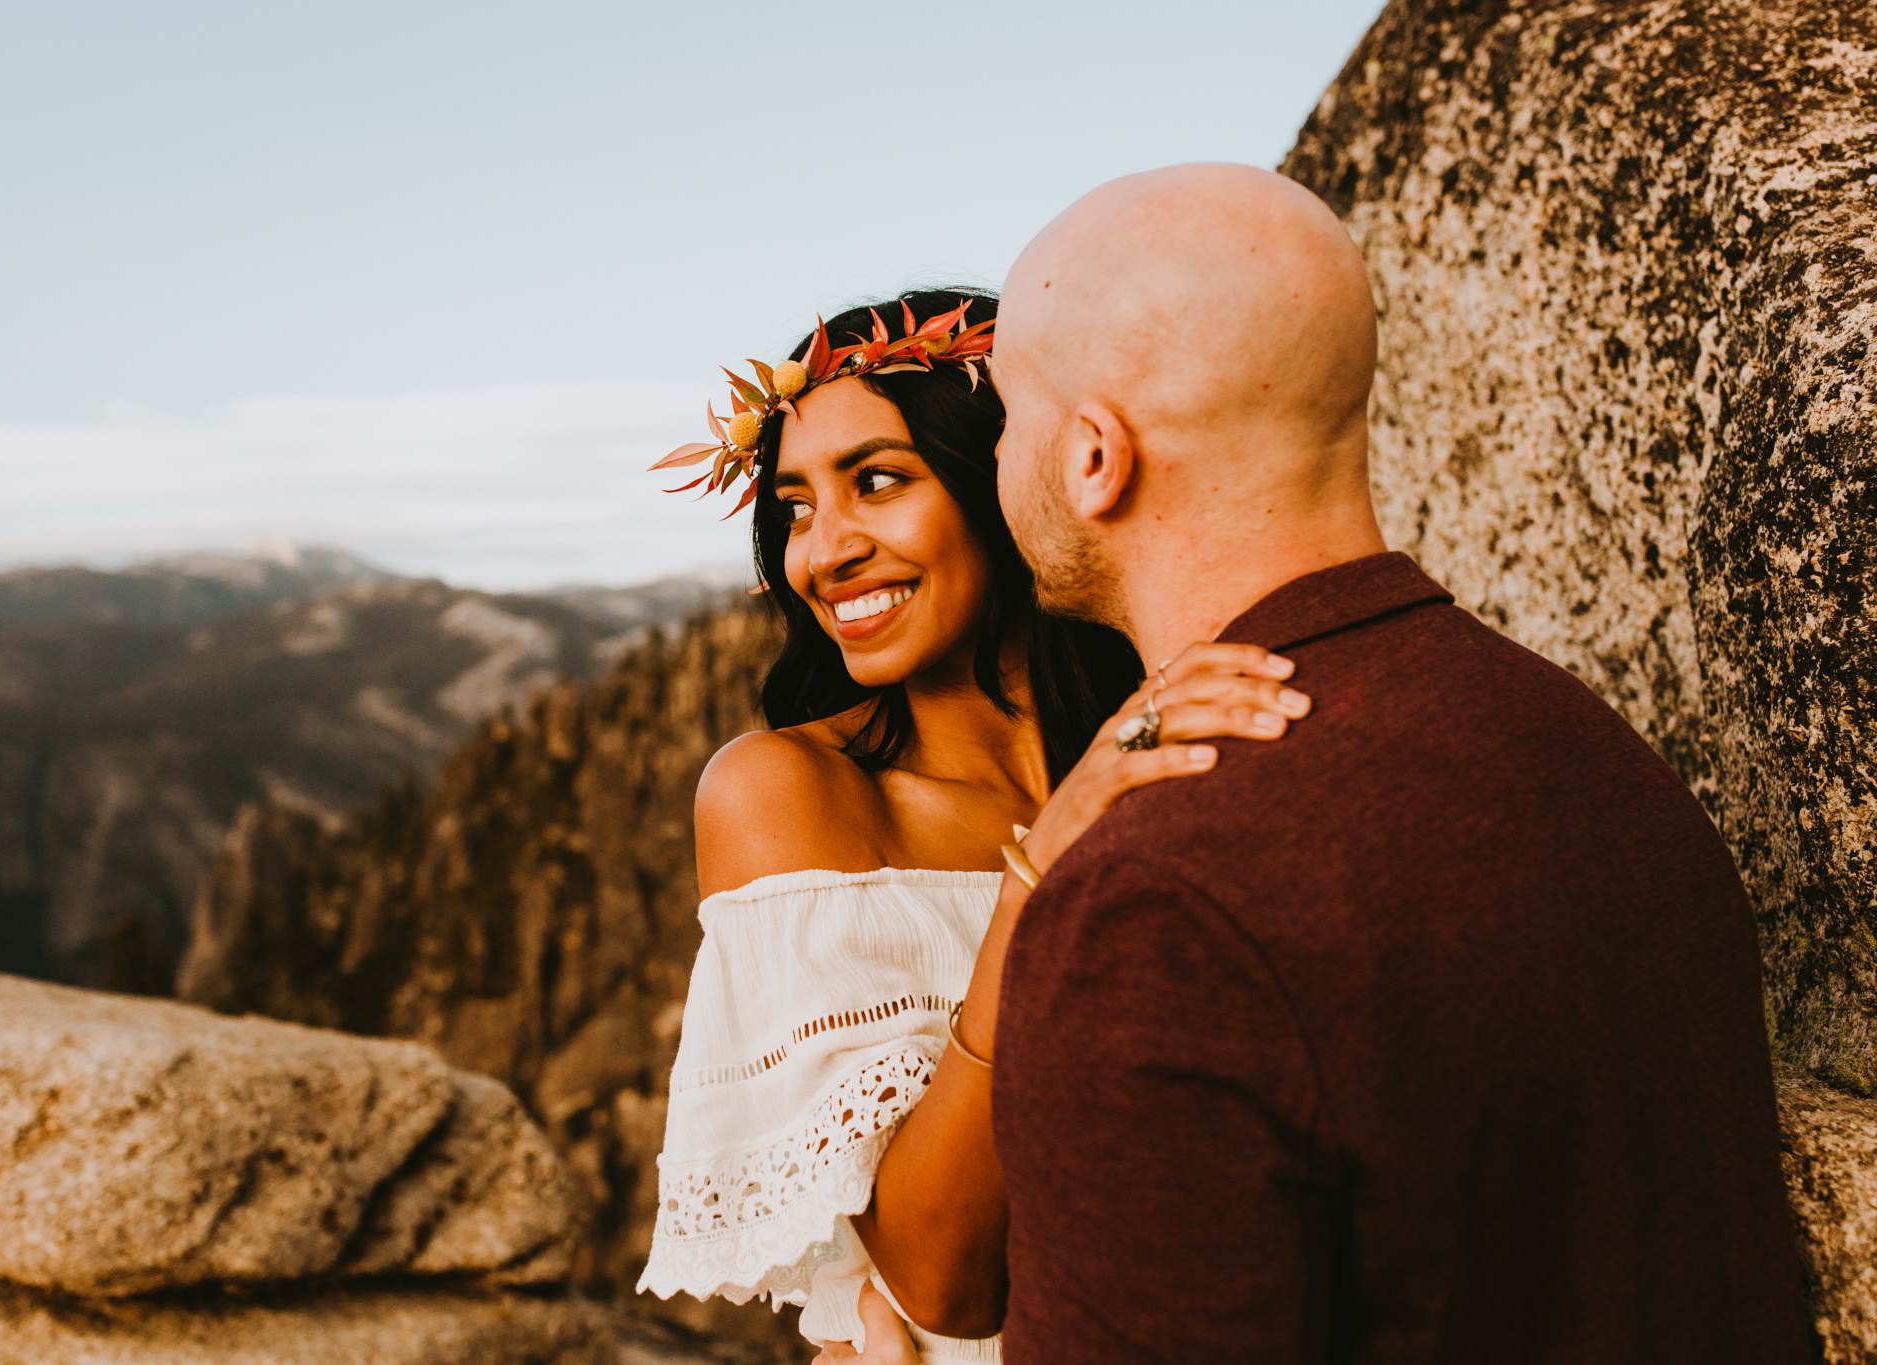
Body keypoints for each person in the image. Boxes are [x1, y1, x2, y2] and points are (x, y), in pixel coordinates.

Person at [860, 163, 1814, 1361]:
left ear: (1095, 459)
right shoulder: (1588, 750)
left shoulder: (1154, 907)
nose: (998, 466)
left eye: (1006, 420)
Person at [635, 289, 1313, 1361]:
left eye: (876, 482)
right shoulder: (785, 793)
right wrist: (1035, 880)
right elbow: (940, 1279)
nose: (823, 554)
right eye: (796, 506)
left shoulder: (1190, 737)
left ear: (1010, 478)